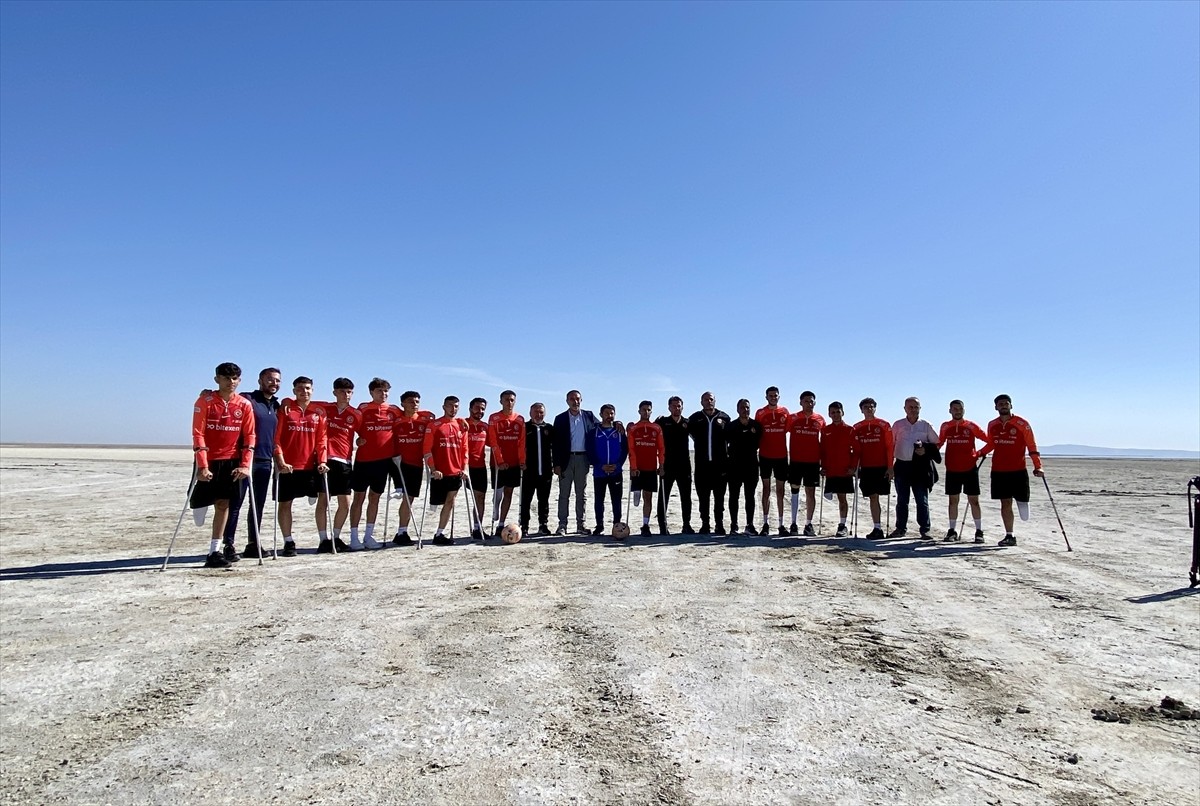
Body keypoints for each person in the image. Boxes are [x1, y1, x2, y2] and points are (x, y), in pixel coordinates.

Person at [190, 363, 256, 569]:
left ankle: (214, 550)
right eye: (227, 378)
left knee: (223, 504)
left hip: (231, 460)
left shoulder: (244, 404)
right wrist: (202, 465)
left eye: (235, 378)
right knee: (200, 500)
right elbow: (198, 433)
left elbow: (250, 436)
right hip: (208, 459)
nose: (231, 382)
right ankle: (196, 502)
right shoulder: (205, 401)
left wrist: (245, 465)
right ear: (217, 379)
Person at [272, 377, 330, 556]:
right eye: (300, 389)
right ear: (294, 390)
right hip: (288, 466)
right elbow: (277, 438)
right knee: (285, 504)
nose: (304, 392)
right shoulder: (286, 410)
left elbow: (322, 440)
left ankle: (323, 539)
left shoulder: (318, 412)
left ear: (312, 390)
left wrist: (322, 461)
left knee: (323, 500)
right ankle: (288, 542)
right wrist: (280, 461)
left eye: (307, 388)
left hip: (311, 467)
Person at [227, 367, 280, 560]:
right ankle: (228, 545)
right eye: (270, 379)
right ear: (260, 380)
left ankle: (253, 543)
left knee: (257, 504)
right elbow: (228, 398)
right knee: (235, 503)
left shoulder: (276, 405)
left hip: (265, 461)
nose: (274, 383)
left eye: (277, 381)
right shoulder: (247, 399)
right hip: (244, 460)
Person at [349, 378, 404, 550]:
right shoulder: (363, 409)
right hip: (364, 460)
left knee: (375, 497)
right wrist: (358, 440)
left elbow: (412, 415)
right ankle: (353, 537)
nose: (383, 394)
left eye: (386, 391)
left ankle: (368, 535)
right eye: (379, 391)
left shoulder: (394, 410)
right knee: (358, 497)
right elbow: (351, 427)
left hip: (383, 461)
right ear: (371, 392)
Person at [987, 394, 1044, 547]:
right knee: (1005, 502)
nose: (1003, 406)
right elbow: (991, 444)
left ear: (1011, 405)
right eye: (1000, 404)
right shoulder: (992, 425)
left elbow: (1032, 446)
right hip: (999, 470)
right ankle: (1009, 535)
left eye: (1006, 403)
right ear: (996, 407)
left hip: (1018, 470)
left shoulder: (1022, 424)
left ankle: (1022, 502)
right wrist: (977, 454)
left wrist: (1038, 466)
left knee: (1023, 506)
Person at [938, 400, 993, 543]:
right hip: (952, 469)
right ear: (950, 410)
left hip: (970, 468)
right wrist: (928, 453)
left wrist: (979, 453)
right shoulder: (946, 426)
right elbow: (939, 443)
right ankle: (952, 531)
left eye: (960, 408)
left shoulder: (971, 426)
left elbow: (990, 441)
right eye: (955, 409)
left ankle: (979, 531)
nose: (957, 411)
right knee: (953, 500)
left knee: (974, 501)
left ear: (964, 410)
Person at [313, 378, 357, 551]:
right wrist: (286, 402)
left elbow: (364, 432)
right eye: (341, 391)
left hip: (345, 461)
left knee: (345, 503)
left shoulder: (355, 414)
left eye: (349, 392)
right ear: (335, 392)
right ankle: (323, 539)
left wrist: (361, 441)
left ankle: (336, 537)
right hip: (325, 460)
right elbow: (301, 403)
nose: (345, 395)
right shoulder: (324, 408)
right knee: (323, 500)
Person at [890, 397, 942, 539]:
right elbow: (891, 444)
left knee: (922, 500)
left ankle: (925, 529)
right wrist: (890, 466)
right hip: (901, 465)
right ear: (905, 408)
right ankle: (900, 528)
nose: (913, 409)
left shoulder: (925, 425)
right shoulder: (898, 425)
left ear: (920, 408)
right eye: (910, 407)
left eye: (916, 407)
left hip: (920, 467)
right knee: (902, 500)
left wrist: (925, 450)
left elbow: (937, 443)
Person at [552, 391, 602, 535]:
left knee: (581, 493)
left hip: (583, 459)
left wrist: (617, 423)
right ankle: (562, 525)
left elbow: (603, 426)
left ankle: (581, 524)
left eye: (578, 399)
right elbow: (556, 444)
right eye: (572, 399)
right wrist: (556, 464)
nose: (575, 402)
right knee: (564, 494)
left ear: (582, 400)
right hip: (566, 460)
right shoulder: (560, 418)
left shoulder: (589, 416)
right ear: (567, 401)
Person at [390, 391, 435, 547]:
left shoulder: (424, 420)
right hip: (399, 463)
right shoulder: (397, 420)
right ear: (403, 403)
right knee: (406, 498)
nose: (414, 404)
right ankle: (402, 531)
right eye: (410, 401)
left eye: (416, 401)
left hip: (417, 464)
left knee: (410, 499)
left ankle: (402, 531)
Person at [423, 396, 469, 545]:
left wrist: (464, 468)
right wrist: (433, 468)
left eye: (456, 406)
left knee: (451, 502)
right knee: (435, 505)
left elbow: (464, 450)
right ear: (443, 407)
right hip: (439, 472)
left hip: (455, 472)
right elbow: (426, 449)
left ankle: (440, 534)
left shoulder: (462, 426)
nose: (453, 409)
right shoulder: (435, 425)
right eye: (450, 406)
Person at [689, 392, 731, 535]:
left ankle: (719, 524)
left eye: (711, 399)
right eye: (706, 400)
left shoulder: (724, 418)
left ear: (715, 401)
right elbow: (682, 430)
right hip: (702, 465)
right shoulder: (695, 419)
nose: (709, 402)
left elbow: (731, 438)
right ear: (701, 402)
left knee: (719, 498)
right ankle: (705, 524)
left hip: (720, 466)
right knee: (703, 498)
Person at [852, 398, 894, 540]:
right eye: (866, 407)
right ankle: (877, 527)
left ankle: (881, 527)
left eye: (871, 407)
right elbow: (856, 450)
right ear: (861, 410)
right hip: (866, 467)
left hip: (881, 466)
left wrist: (890, 467)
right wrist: (854, 467)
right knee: (872, 497)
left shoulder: (883, 425)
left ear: (875, 408)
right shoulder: (856, 427)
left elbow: (889, 447)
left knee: (879, 495)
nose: (869, 409)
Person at [786, 391, 826, 536]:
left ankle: (808, 524)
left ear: (815, 402)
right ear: (800, 402)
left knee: (811, 492)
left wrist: (824, 462)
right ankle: (793, 523)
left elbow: (824, 441)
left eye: (811, 401)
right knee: (794, 491)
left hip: (813, 462)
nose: (809, 404)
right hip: (796, 460)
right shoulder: (793, 418)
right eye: (806, 401)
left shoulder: (820, 419)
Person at [585, 405, 627, 535]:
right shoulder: (594, 432)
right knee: (599, 499)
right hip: (599, 472)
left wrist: (618, 464)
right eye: (607, 413)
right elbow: (590, 450)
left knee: (616, 500)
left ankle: (617, 525)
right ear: (601, 414)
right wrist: (599, 465)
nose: (610, 416)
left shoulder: (619, 432)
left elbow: (625, 450)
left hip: (616, 472)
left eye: (612, 413)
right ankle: (599, 525)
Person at [654, 396, 694, 535]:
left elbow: (700, 438)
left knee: (686, 497)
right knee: (663, 497)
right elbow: (649, 431)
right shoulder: (662, 422)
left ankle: (686, 525)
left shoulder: (688, 423)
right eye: (674, 406)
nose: (676, 408)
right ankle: (662, 527)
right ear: (669, 407)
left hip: (684, 465)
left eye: (679, 406)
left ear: (682, 407)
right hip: (667, 465)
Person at [487, 390, 525, 533]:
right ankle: (495, 505)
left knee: (509, 492)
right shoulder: (494, 418)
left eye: (512, 400)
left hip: (514, 462)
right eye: (506, 400)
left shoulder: (519, 419)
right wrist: (500, 460)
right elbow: (493, 441)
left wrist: (522, 460)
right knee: (498, 492)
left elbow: (521, 442)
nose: (509, 403)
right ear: (501, 401)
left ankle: (501, 523)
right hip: (497, 463)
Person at [755, 386, 790, 536]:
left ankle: (781, 524)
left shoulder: (785, 412)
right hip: (765, 456)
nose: (773, 398)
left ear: (779, 397)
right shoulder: (760, 413)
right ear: (766, 397)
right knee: (766, 490)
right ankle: (765, 523)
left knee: (781, 491)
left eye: (775, 396)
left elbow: (788, 430)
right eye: (770, 396)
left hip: (781, 456)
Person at [627, 401, 665, 536]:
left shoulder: (656, 428)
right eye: (643, 410)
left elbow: (661, 448)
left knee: (648, 498)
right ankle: (636, 489)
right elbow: (631, 449)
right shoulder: (633, 428)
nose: (646, 412)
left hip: (650, 468)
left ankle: (645, 524)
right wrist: (633, 467)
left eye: (648, 410)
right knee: (637, 499)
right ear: (639, 411)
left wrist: (661, 465)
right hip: (637, 468)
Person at [725, 398, 762, 535]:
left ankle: (749, 525)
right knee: (734, 496)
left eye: (747, 407)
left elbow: (759, 444)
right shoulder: (731, 426)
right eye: (742, 407)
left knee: (750, 496)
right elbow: (725, 444)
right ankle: (734, 525)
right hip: (734, 466)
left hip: (751, 465)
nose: (745, 410)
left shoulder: (756, 426)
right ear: (737, 409)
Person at [819, 401, 855, 537]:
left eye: (838, 412)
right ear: (829, 414)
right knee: (830, 496)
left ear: (842, 413)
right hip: (830, 470)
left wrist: (852, 467)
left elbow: (855, 451)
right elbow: (822, 450)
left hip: (844, 470)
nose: (835, 415)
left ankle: (842, 525)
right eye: (832, 412)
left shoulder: (850, 430)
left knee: (842, 498)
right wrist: (822, 466)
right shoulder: (825, 430)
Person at [521, 403, 555, 536]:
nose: (538, 415)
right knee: (526, 500)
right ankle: (524, 526)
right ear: (530, 413)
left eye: (541, 412)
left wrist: (555, 464)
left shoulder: (550, 429)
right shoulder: (525, 428)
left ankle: (543, 525)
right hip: (529, 471)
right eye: (536, 412)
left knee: (544, 500)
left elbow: (555, 448)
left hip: (546, 472)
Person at [465, 397, 490, 540]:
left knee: (480, 498)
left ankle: (477, 527)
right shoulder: (462, 424)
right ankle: (441, 531)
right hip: (464, 466)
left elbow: (493, 443)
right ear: (470, 409)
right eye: (477, 408)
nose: (480, 411)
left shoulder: (485, 427)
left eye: (482, 409)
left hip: (480, 466)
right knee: (453, 498)